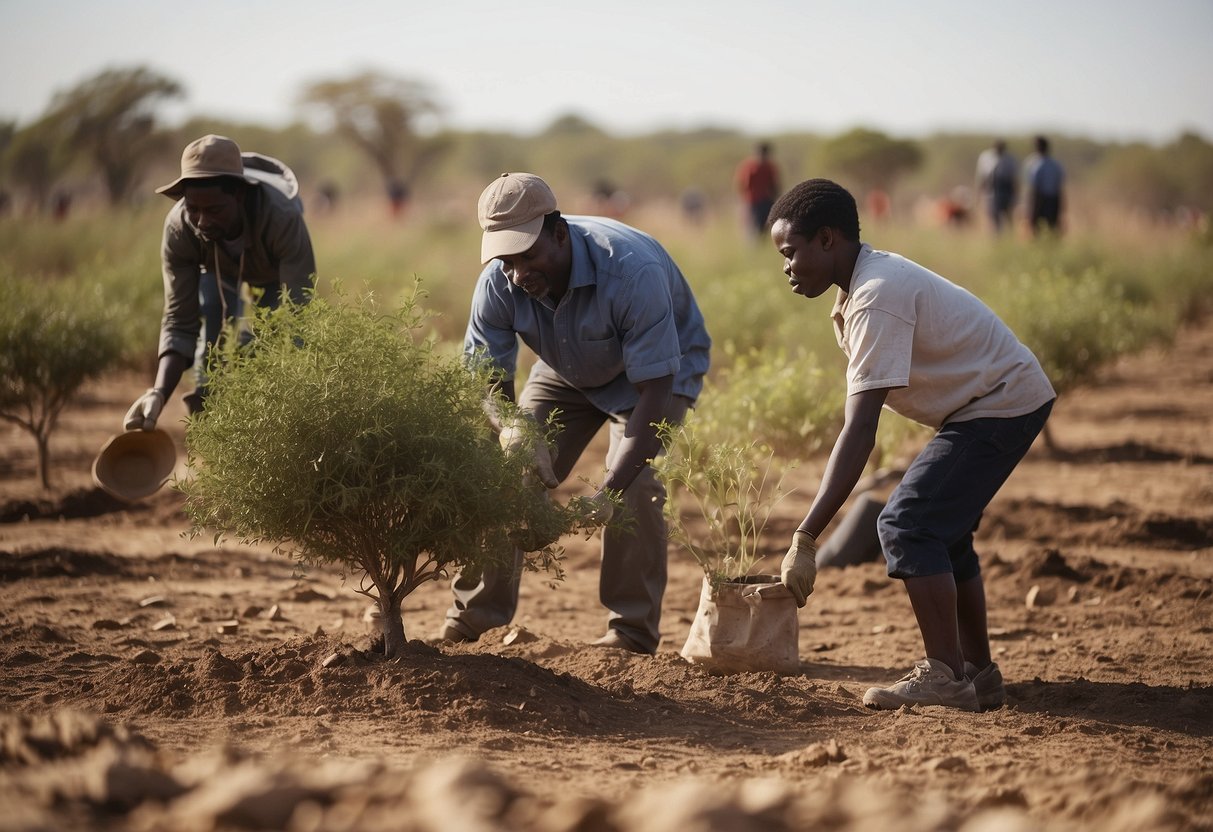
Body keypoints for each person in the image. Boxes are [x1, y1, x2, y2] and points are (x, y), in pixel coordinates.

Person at [767, 179, 1055, 711]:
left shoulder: (877, 296)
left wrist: (806, 537)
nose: (786, 267)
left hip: (1000, 402)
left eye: (790, 252)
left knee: (906, 523)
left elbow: (859, 429)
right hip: (990, 402)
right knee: (942, 533)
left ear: (827, 239)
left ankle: (945, 677)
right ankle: (977, 673)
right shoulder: (861, 286)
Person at [441, 172, 712, 655]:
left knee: (636, 487)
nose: (518, 272)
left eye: (528, 255)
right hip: (566, 366)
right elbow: (487, 377)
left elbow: (653, 389)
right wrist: (514, 430)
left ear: (560, 232)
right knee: (504, 472)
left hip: (654, 374)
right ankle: (473, 620)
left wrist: (608, 491)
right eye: (506, 259)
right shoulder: (499, 283)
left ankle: (629, 634)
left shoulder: (630, 271)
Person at [123, 135, 316, 430]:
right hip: (216, 265)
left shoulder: (282, 218)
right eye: (193, 209)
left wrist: (291, 392)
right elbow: (179, 321)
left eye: (213, 210)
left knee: (266, 335)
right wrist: (159, 392)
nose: (201, 221)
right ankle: (208, 415)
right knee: (212, 314)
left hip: (271, 274)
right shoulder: (180, 229)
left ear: (239, 195)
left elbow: (297, 315)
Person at [735, 141, 781, 238]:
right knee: (754, 226)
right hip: (753, 201)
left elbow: (775, 185)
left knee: (767, 225)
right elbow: (743, 185)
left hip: (767, 200)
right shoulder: (749, 167)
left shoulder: (770, 167)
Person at [1022, 135, 1065, 236]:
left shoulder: (1035, 165)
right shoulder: (1056, 165)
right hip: (1054, 201)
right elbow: (1059, 188)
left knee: (1036, 231)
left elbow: (1034, 188)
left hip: (1039, 202)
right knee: (1052, 229)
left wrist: (1031, 209)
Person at [974, 139, 1018, 232]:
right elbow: (982, 178)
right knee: (994, 219)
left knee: (1008, 218)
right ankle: (996, 238)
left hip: (1007, 194)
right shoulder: (986, 158)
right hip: (992, 194)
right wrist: (978, 195)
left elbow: (1014, 180)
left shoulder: (1010, 160)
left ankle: (1009, 236)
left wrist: (1015, 196)